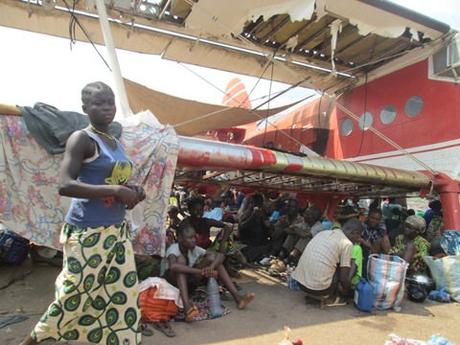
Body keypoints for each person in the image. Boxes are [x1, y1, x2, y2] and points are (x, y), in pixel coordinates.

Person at [21, 82, 145, 345]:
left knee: (119, 293)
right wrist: (115, 190)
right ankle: (32, 341)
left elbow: (114, 186)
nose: (107, 108)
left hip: (116, 231)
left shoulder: (115, 141)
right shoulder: (82, 139)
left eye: (110, 103)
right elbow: (65, 184)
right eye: (98, 104)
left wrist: (132, 192)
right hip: (88, 232)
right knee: (73, 294)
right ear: (85, 109)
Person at [164, 222, 255, 322]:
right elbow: (173, 266)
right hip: (173, 285)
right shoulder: (173, 249)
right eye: (190, 238)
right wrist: (200, 271)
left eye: (194, 237)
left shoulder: (194, 249)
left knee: (214, 260)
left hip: (189, 283)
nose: (194, 240)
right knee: (180, 264)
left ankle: (238, 298)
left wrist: (210, 268)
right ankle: (187, 308)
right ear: (180, 238)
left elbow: (220, 256)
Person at [292, 219, 364, 299]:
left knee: (331, 262)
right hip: (318, 290)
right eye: (359, 236)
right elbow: (343, 278)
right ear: (354, 233)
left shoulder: (323, 233)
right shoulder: (346, 243)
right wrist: (348, 290)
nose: (358, 239)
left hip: (300, 283)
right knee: (340, 269)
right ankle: (331, 296)